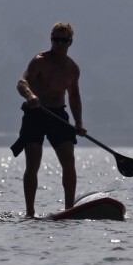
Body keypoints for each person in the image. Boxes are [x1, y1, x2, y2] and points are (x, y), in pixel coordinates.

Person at [11, 22, 87, 217]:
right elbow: (22, 82)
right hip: (35, 114)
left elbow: (74, 97)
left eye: (63, 40)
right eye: (55, 39)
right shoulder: (39, 61)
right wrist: (30, 96)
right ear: (51, 40)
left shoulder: (72, 69)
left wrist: (79, 123)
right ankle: (30, 212)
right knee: (33, 164)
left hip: (58, 116)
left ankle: (69, 209)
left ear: (70, 42)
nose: (59, 44)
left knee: (69, 162)